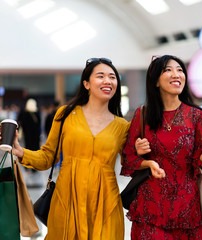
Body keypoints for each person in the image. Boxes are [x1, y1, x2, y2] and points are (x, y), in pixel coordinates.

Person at [8, 58, 130, 240]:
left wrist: (144, 153)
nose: (108, 81)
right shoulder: (65, 115)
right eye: (101, 76)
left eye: (112, 77)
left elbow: (130, 165)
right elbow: (48, 157)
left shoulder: (122, 125)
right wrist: (21, 151)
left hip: (106, 203)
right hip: (67, 199)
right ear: (86, 83)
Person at [121, 55, 202, 239]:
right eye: (168, 70)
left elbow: (199, 167)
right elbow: (128, 160)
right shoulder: (142, 115)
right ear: (156, 81)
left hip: (187, 208)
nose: (176, 74)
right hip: (150, 207)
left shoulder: (196, 115)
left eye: (180, 70)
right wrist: (146, 162)